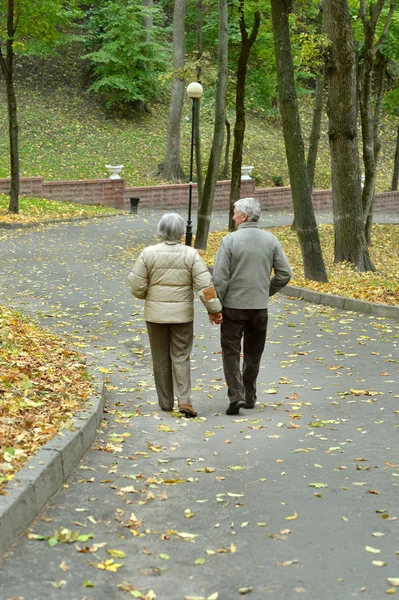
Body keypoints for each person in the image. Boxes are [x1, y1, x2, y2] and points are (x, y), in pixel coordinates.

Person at [128, 213, 222, 418]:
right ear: (181, 232)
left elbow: (136, 285)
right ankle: (185, 401)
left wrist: (146, 295)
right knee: (181, 356)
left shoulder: (148, 254)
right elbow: (205, 286)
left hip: (155, 316)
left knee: (160, 358)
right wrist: (214, 309)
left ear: (161, 231)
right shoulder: (191, 255)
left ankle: (165, 402)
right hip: (182, 317)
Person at [211, 197, 292, 415]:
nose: (233, 215)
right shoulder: (271, 240)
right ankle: (249, 394)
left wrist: (217, 305)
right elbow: (285, 273)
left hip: (233, 307)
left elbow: (219, 278)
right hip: (258, 307)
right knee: (253, 353)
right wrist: (266, 290)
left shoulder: (229, 241)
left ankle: (235, 395)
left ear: (244, 217)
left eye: (235, 212)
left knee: (231, 351)